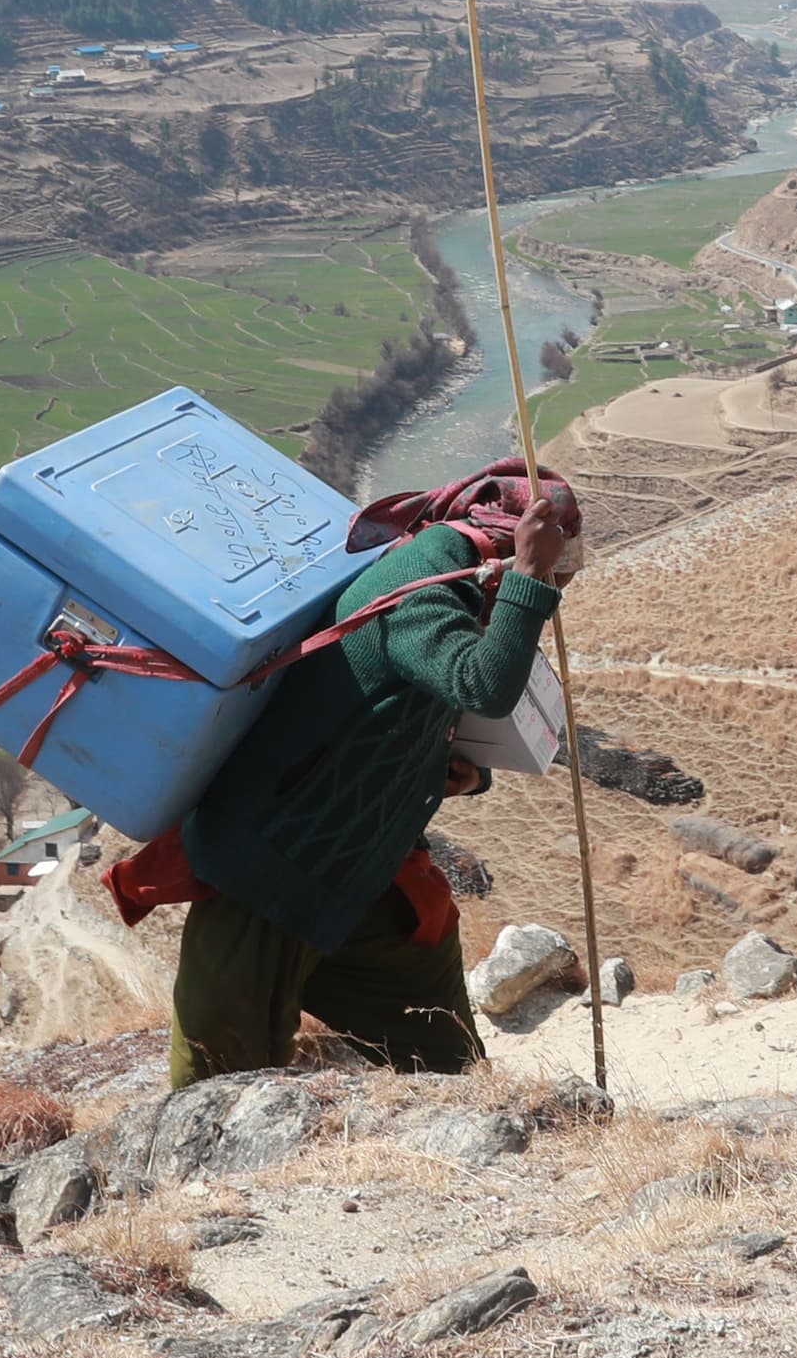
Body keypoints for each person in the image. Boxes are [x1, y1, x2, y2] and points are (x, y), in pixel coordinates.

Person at [157, 463, 580, 1086]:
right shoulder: (420, 583)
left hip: (358, 869)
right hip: (273, 868)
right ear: (506, 543)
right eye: (560, 568)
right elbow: (483, 685)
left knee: (447, 1063)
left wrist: (456, 774)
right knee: (217, 1077)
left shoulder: (458, 578)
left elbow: (408, 708)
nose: (561, 583)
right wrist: (530, 579)